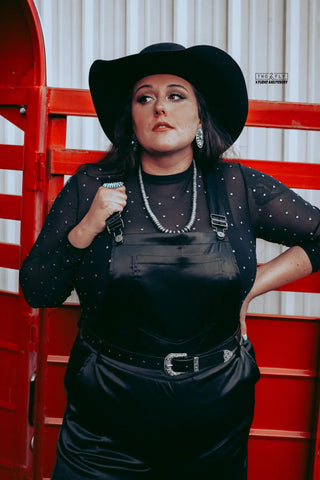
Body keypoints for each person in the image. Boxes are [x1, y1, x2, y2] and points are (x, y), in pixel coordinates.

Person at [20, 43, 320, 479]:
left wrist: (251, 285)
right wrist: (85, 228)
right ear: (132, 120)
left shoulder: (235, 185)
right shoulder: (90, 186)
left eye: (176, 95)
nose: (159, 106)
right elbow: (38, 289)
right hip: (105, 424)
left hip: (214, 423)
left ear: (200, 117)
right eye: (145, 97)